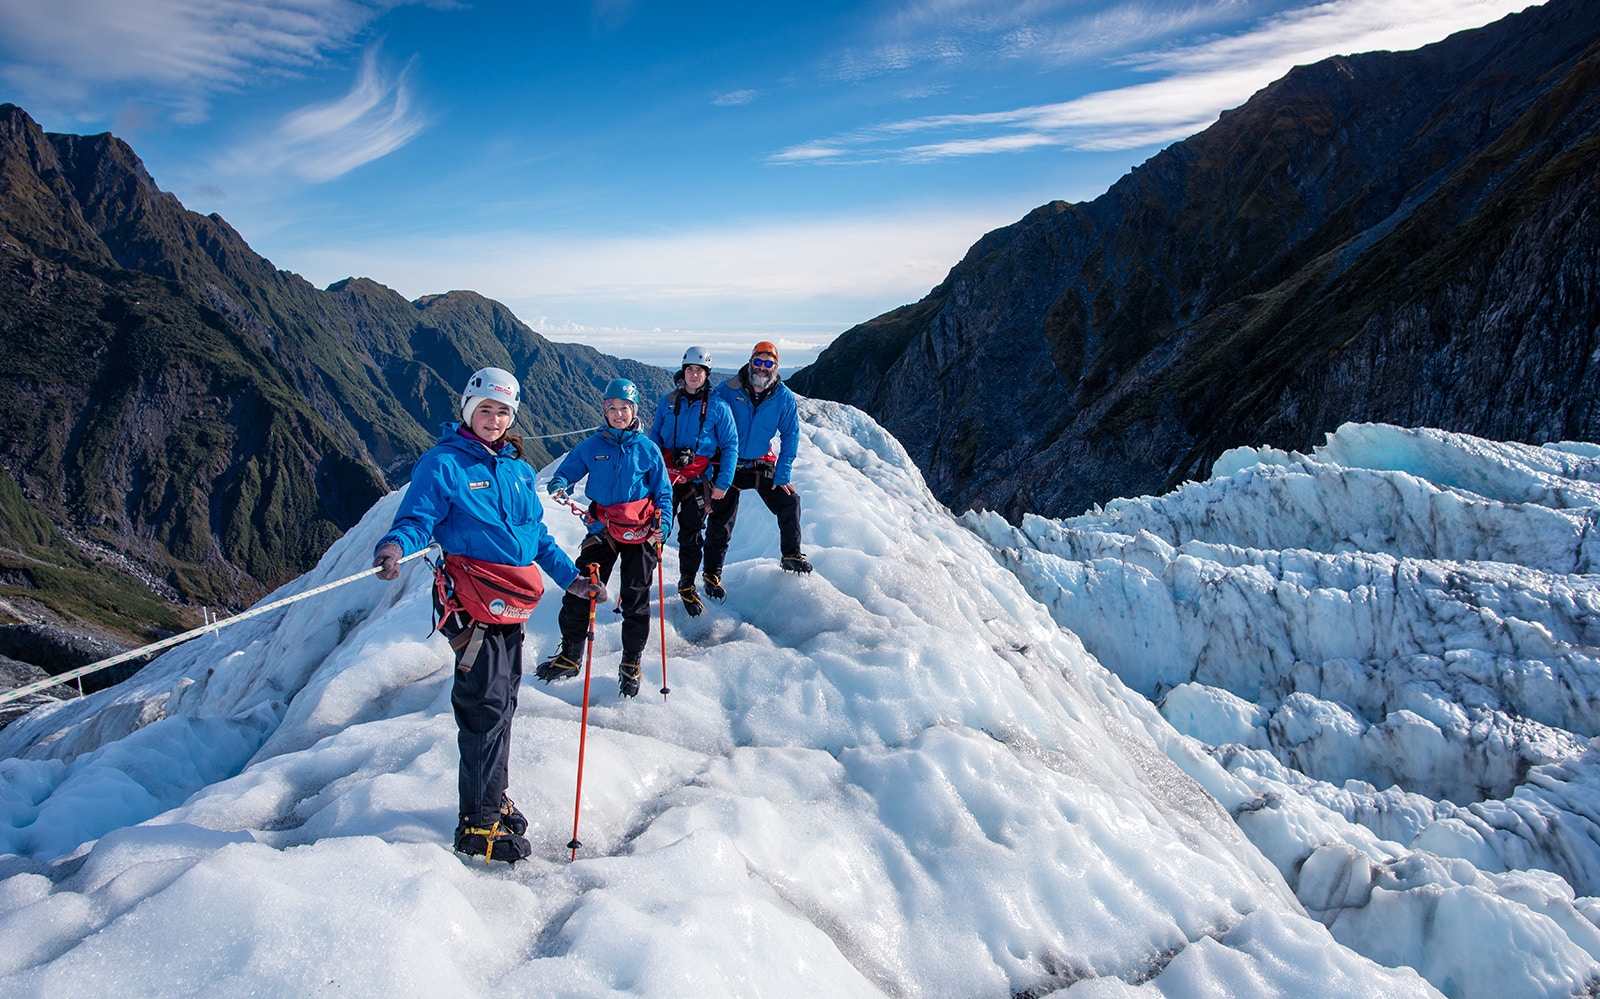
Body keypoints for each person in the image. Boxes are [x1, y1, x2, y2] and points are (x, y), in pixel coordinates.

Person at [372, 367, 607, 864]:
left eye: (502, 411)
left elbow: (536, 537)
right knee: (484, 711)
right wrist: (394, 546)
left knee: (502, 707)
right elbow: (418, 519)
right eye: (485, 409)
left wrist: (572, 579)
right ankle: (477, 825)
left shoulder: (517, 470)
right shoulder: (443, 464)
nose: (494, 419)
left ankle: (491, 796)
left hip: (509, 605)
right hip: (472, 607)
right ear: (467, 410)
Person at [537, 378, 673, 697]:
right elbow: (567, 472)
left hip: (640, 530)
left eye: (624, 408)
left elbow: (663, 493)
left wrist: (663, 525)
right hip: (603, 527)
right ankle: (571, 654)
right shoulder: (592, 446)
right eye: (613, 408)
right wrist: (560, 484)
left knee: (635, 598)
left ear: (634, 410)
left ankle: (630, 662)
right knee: (579, 589)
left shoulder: (647, 450)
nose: (618, 414)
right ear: (605, 409)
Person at [700, 341, 811, 601]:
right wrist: (704, 464)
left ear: (775, 366)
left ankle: (791, 554)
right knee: (721, 522)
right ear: (750, 362)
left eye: (768, 363)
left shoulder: (782, 396)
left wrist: (782, 472)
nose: (762, 367)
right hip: (725, 463)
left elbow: (791, 434)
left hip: (759, 464)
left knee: (789, 501)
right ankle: (712, 575)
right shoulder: (728, 390)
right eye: (758, 362)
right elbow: (707, 423)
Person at [648, 346, 737, 616]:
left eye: (699, 370)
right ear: (683, 371)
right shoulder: (668, 402)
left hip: (697, 481)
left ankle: (687, 583)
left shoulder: (718, 407)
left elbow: (730, 445)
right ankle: (641, 580)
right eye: (690, 369)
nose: (694, 374)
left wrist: (723, 482)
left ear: (706, 374)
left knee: (691, 535)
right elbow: (654, 438)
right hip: (665, 477)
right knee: (653, 530)